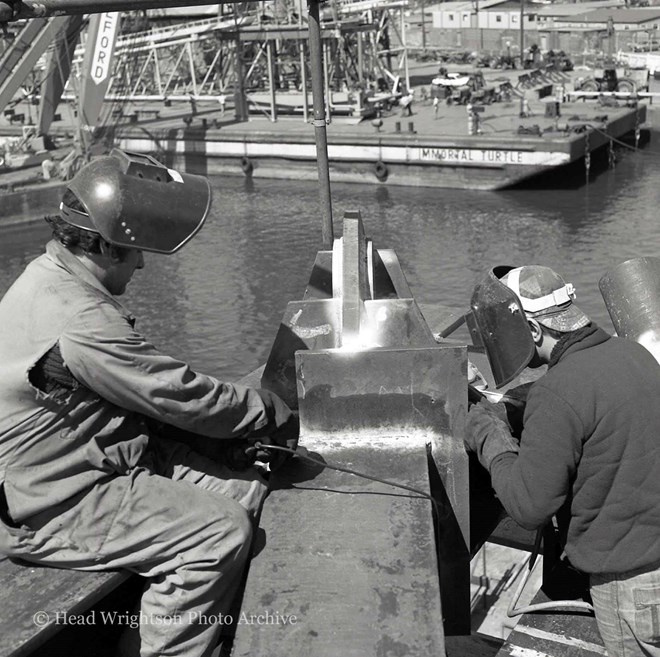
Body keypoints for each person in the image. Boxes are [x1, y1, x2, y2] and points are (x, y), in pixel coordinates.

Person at [0, 149, 298, 657]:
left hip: (95, 459)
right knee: (218, 532)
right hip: (49, 503)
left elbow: (136, 396)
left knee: (248, 494)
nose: (140, 264)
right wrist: (268, 411)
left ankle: (155, 633)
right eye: (135, 253)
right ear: (109, 246)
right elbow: (178, 395)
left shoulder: (49, 274)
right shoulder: (81, 320)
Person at [465, 264, 660, 656]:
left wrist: (488, 434)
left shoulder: (559, 393)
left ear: (534, 331)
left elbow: (528, 505)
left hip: (629, 588)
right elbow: (589, 400)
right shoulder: (634, 354)